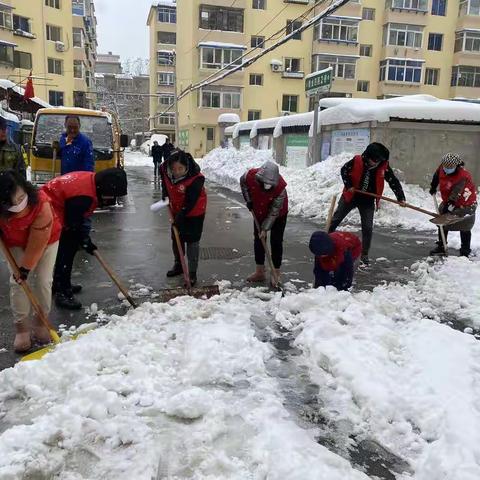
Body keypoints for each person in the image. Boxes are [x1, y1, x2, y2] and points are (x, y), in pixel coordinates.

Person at [42, 168, 128, 309]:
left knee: (69, 246)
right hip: (49, 211)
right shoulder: (83, 197)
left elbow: (78, 221)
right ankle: (63, 293)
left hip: (57, 206)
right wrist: (85, 242)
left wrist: (85, 240)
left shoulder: (91, 181)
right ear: (104, 187)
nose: (109, 199)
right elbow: (73, 226)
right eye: (110, 195)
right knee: (67, 250)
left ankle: (59, 284)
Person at [0, 170, 62, 352]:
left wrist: (25, 268)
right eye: (12, 204)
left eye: (21, 199)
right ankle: (22, 329)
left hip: (47, 240)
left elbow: (38, 241)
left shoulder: (41, 204)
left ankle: (41, 322)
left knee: (43, 280)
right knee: (18, 282)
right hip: (14, 241)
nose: (18, 205)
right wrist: (21, 273)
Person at [329, 142, 406, 266]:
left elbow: (393, 181)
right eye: (374, 160)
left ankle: (364, 254)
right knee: (336, 219)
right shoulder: (357, 160)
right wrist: (349, 185)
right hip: (351, 196)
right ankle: (326, 241)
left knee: (367, 227)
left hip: (368, 200)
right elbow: (344, 170)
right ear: (367, 156)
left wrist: (401, 197)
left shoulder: (383, 166)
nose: (376, 163)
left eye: (379, 161)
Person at [161, 150, 206, 287]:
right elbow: (164, 181)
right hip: (176, 207)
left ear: (186, 168)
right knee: (177, 238)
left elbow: (190, 201)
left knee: (192, 241)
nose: (176, 172)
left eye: (180, 168)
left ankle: (192, 273)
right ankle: (179, 265)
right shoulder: (164, 168)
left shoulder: (196, 178)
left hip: (195, 211)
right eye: (174, 169)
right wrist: (165, 194)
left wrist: (180, 216)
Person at [240, 161, 288, 285]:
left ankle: (275, 272)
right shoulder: (250, 176)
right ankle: (260, 271)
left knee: (276, 241)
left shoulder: (280, 188)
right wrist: (248, 200)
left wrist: (265, 229)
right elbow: (243, 183)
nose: (267, 188)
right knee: (259, 239)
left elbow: (274, 212)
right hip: (259, 210)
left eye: (270, 186)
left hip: (278, 214)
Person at [429, 153, 477, 257]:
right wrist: (433, 185)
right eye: (445, 167)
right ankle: (441, 246)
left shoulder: (463, 176)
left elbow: (455, 194)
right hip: (448, 199)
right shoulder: (443, 167)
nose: (446, 169)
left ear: (456, 166)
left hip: (466, 203)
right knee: (442, 222)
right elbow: (437, 174)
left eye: (450, 168)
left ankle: (465, 250)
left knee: (465, 226)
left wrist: (449, 207)